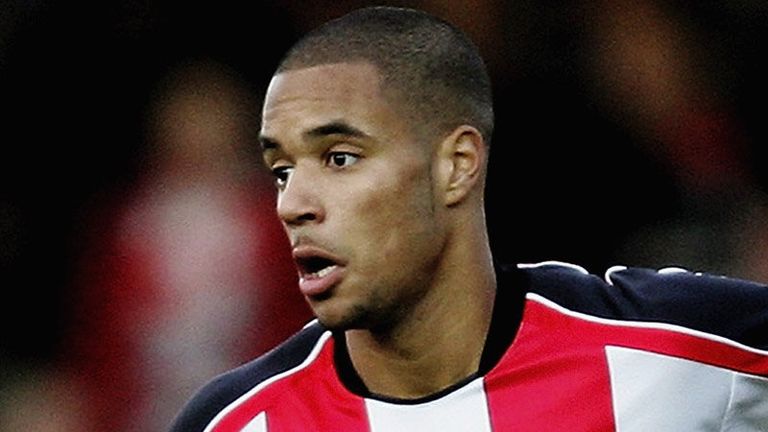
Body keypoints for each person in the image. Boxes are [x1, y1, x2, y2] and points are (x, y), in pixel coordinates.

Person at [170, 6, 768, 431]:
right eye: (281, 170)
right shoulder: (234, 421)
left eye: (339, 158)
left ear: (456, 165)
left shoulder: (681, 350)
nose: (292, 203)